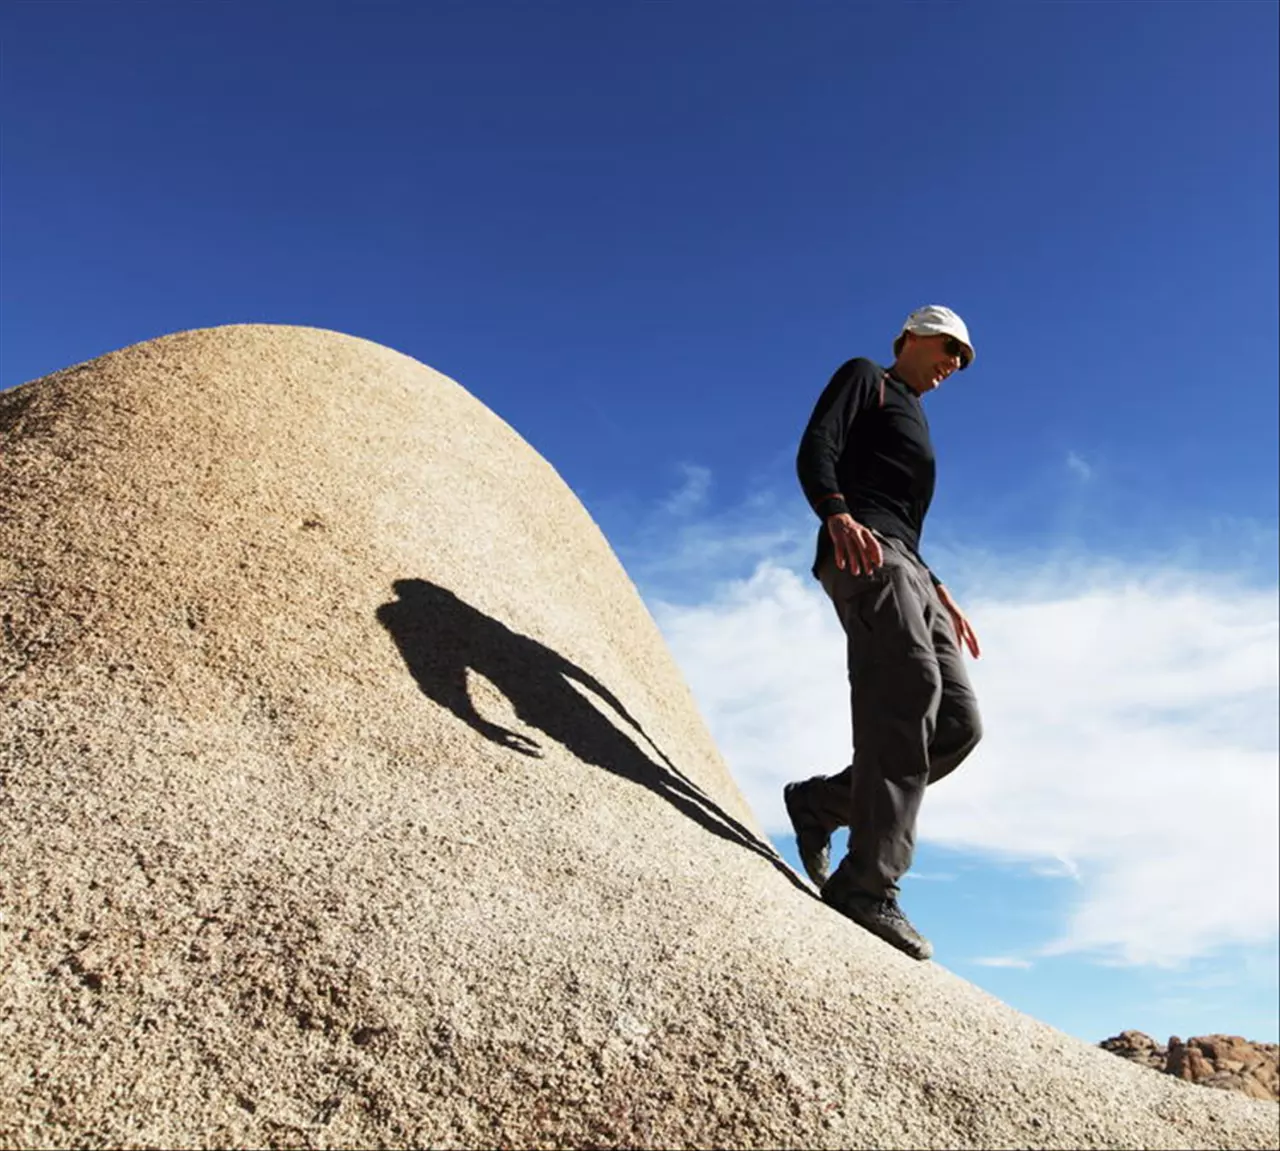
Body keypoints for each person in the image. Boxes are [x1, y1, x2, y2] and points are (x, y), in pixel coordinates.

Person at [785, 305, 984, 961]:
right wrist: (836, 514)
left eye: (962, 358)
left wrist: (937, 581)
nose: (954, 364)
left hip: (910, 565)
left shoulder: (917, 415)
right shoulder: (866, 376)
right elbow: (820, 445)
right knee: (908, 688)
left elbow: (903, 515)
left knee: (957, 722)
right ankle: (867, 886)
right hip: (864, 550)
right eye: (949, 348)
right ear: (910, 337)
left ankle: (819, 804)